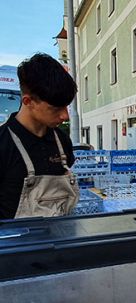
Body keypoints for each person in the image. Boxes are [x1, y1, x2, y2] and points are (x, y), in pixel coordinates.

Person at [0, 53, 79, 219]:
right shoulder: (3, 144)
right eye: (56, 109)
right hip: (15, 243)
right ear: (28, 101)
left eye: (66, 107)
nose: (65, 116)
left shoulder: (62, 141)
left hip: (61, 237)